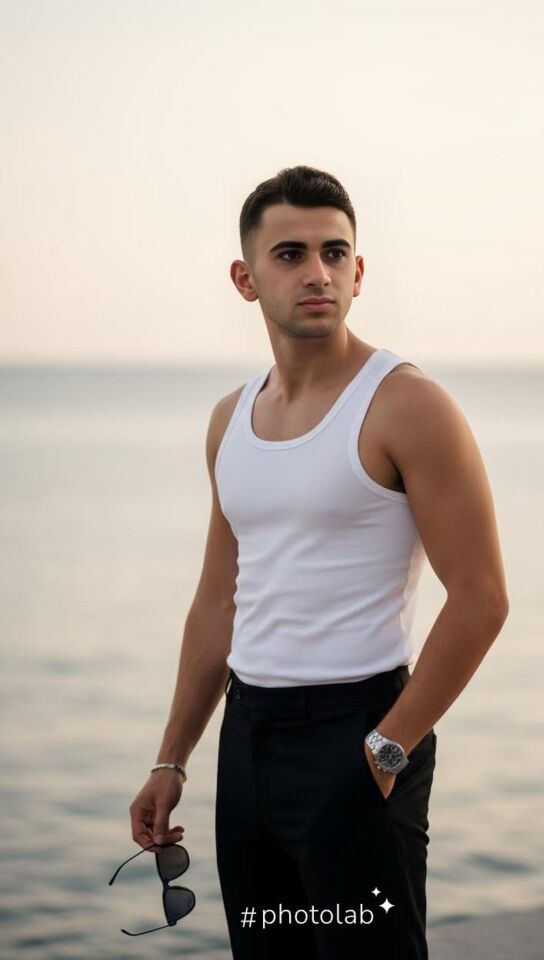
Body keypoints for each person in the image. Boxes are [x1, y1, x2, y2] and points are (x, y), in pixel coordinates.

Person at [128, 164, 509, 958]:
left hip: (361, 730)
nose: (317, 273)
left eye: (335, 253)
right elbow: (219, 602)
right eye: (291, 254)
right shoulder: (230, 420)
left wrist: (387, 749)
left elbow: (481, 598)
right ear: (246, 279)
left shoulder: (407, 405)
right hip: (249, 738)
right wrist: (173, 758)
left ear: (359, 272)